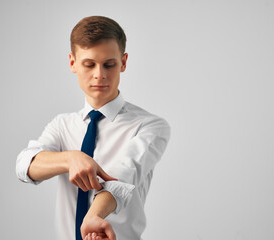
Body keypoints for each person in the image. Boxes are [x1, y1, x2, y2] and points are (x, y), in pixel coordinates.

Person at [16, 16, 170, 240]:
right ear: (73, 63)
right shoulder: (62, 125)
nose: (100, 74)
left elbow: (123, 176)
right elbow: (24, 166)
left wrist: (93, 216)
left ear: (124, 62)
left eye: (109, 64)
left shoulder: (149, 126)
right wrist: (71, 159)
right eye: (89, 64)